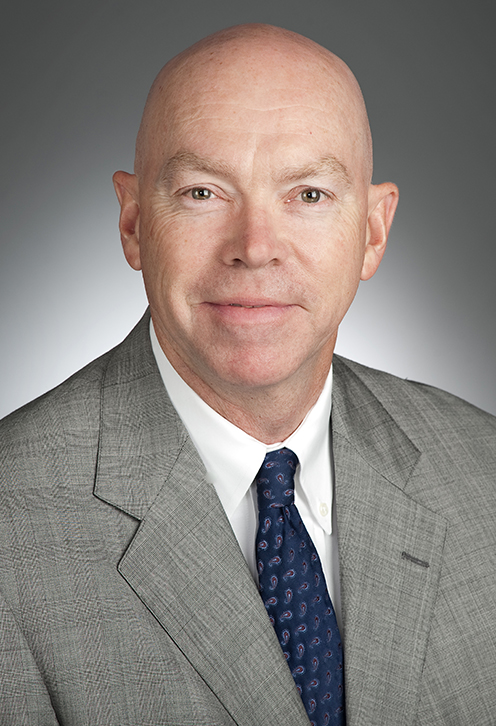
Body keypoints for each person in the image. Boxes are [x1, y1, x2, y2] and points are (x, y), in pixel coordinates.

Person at [0, 23, 495, 726]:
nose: (256, 249)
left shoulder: (485, 473)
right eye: (204, 193)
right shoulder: (11, 532)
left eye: (309, 195)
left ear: (374, 232)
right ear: (135, 223)